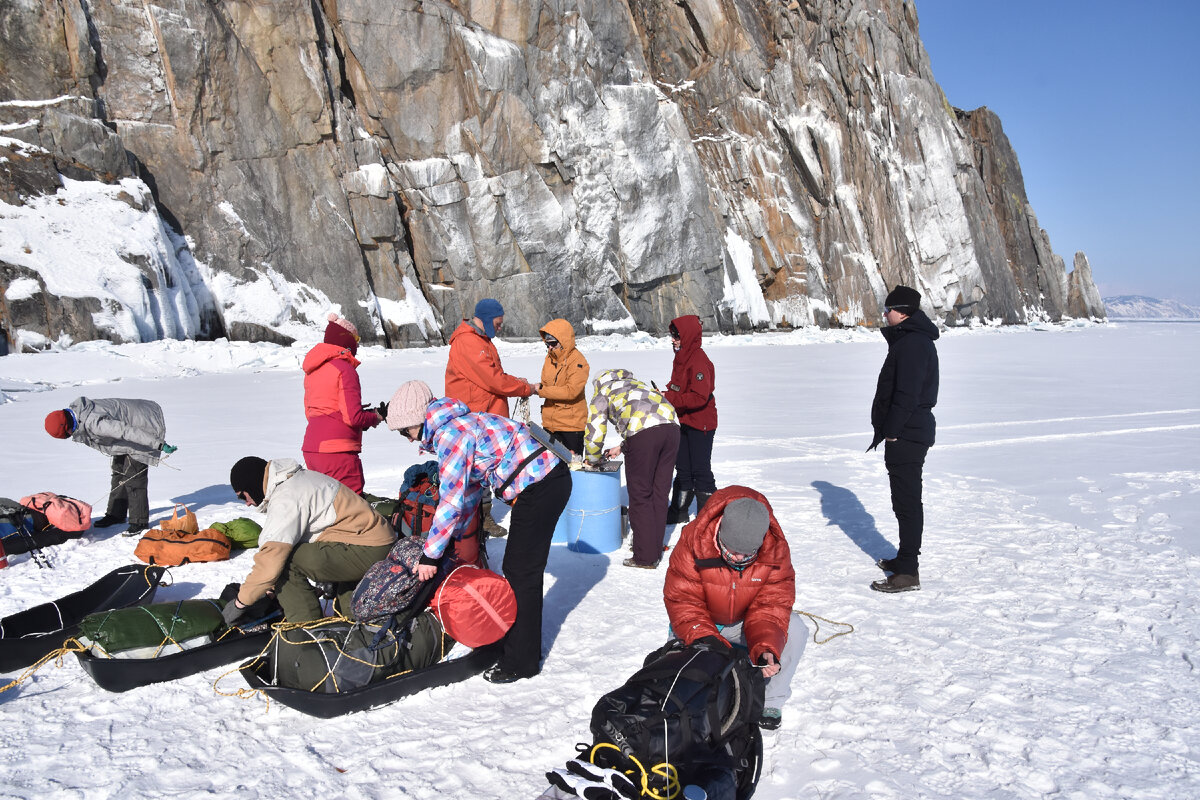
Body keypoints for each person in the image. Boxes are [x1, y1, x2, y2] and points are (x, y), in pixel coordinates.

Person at [386, 380, 571, 683]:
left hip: (541, 485)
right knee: (519, 568)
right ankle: (514, 641)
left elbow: (450, 501)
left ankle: (521, 661)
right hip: (544, 481)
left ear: (417, 420)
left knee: (521, 571)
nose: (407, 439)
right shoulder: (458, 424)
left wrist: (431, 556)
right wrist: (445, 543)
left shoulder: (451, 435)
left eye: (404, 431)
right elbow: (468, 493)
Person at [663, 487, 801, 731]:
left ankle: (771, 700)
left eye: (746, 553)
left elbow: (771, 605)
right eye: (732, 550)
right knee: (682, 677)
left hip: (744, 622)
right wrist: (707, 640)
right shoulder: (694, 540)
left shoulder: (775, 548)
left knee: (797, 629)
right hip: (703, 621)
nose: (738, 558)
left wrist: (766, 648)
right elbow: (683, 601)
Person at [223, 456, 396, 624]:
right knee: (292, 553)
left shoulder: (287, 497)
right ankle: (350, 620)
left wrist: (240, 603)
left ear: (252, 484)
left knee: (285, 561)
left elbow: (271, 560)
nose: (246, 503)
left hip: (369, 547)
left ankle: (306, 630)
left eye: (242, 496)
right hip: (370, 541)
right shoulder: (296, 480)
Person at [868, 285, 940, 593]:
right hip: (908, 433)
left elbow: (907, 395)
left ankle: (909, 570)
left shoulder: (912, 344)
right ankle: (904, 558)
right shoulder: (910, 340)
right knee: (903, 500)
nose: (884, 315)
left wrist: (893, 431)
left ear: (903, 312)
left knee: (908, 501)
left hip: (908, 434)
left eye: (888, 310)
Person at [584, 369, 679, 569]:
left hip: (644, 435)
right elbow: (650, 419)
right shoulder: (637, 384)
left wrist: (592, 459)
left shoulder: (603, 392)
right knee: (659, 494)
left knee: (641, 495)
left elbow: (595, 429)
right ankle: (653, 545)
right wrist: (623, 446)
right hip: (672, 429)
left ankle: (644, 557)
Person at [44, 397, 175, 535]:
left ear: (68, 426)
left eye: (68, 434)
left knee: (134, 478)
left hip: (144, 425)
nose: (71, 436)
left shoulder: (94, 423)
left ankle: (139, 522)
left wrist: (158, 444)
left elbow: (125, 431)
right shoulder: (79, 412)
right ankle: (116, 514)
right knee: (119, 473)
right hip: (129, 427)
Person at [301, 312, 383, 494]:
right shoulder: (344, 369)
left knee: (324, 508)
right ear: (347, 341)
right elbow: (353, 417)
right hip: (338, 452)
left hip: (312, 449)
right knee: (351, 509)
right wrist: (374, 416)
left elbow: (312, 412)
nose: (358, 344)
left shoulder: (312, 370)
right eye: (356, 338)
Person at [663, 315, 718, 524]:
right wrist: (665, 392)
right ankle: (678, 511)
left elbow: (699, 396)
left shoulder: (698, 360)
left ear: (687, 336)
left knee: (700, 470)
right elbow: (677, 386)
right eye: (672, 335)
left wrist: (670, 397)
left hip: (701, 423)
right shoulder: (681, 357)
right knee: (683, 468)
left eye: (676, 336)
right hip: (684, 420)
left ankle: (709, 518)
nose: (673, 339)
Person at [445, 298, 536, 417]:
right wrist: (526, 388)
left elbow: (492, 374)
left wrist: (516, 382)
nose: (499, 328)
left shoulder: (480, 340)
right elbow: (494, 380)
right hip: (477, 421)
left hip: (485, 417)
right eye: (497, 324)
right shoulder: (468, 341)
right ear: (487, 320)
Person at [536, 319, 590, 455]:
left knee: (571, 469)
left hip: (571, 427)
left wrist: (541, 390)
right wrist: (535, 388)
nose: (549, 348)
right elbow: (547, 385)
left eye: (553, 344)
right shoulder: (549, 358)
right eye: (547, 344)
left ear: (563, 341)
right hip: (550, 425)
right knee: (550, 470)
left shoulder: (578, 362)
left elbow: (571, 392)